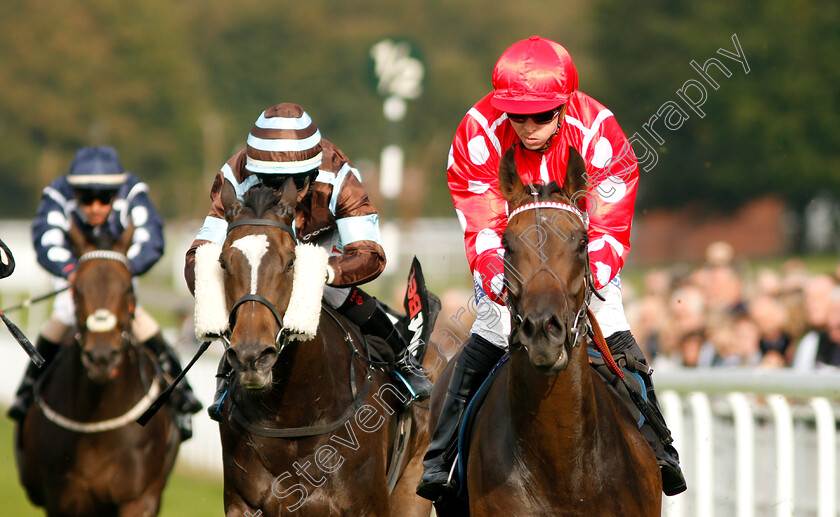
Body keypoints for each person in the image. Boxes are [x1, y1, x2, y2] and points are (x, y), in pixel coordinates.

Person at [416, 36, 686, 500]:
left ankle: (660, 446)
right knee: (493, 321)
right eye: (516, 115)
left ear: (564, 104)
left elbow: (609, 219)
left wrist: (591, 275)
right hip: (513, 252)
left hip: (581, 249)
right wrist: (495, 273)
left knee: (612, 316)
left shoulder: (599, 128)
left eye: (541, 115)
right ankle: (441, 457)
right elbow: (481, 220)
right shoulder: (478, 131)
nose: (527, 126)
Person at [183, 103, 433, 421]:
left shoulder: (339, 175)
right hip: (264, 248)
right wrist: (214, 289)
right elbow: (198, 255)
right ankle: (228, 377)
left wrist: (322, 271)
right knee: (246, 293)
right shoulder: (235, 176)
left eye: (295, 183)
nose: (283, 194)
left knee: (335, 294)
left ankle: (402, 363)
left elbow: (371, 254)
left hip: (322, 241)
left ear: (314, 173)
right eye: (271, 184)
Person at [8, 146, 202, 440]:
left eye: (104, 198)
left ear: (116, 192)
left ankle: (180, 392)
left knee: (138, 319)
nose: (96, 206)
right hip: (76, 283)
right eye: (87, 198)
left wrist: (121, 270)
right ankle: (28, 390)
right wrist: (72, 270)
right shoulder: (57, 194)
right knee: (61, 317)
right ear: (74, 193)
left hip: (118, 283)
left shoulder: (133, 191)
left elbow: (151, 238)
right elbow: (45, 239)